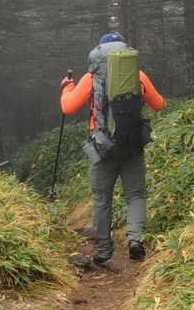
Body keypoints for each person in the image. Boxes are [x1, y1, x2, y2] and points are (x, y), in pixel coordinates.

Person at [59, 32, 165, 270]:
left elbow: (68, 107)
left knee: (101, 199)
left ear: (99, 53)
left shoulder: (91, 77)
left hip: (102, 148)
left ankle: (103, 252)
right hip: (133, 144)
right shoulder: (137, 75)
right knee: (135, 195)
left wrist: (66, 87)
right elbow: (159, 104)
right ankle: (135, 240)